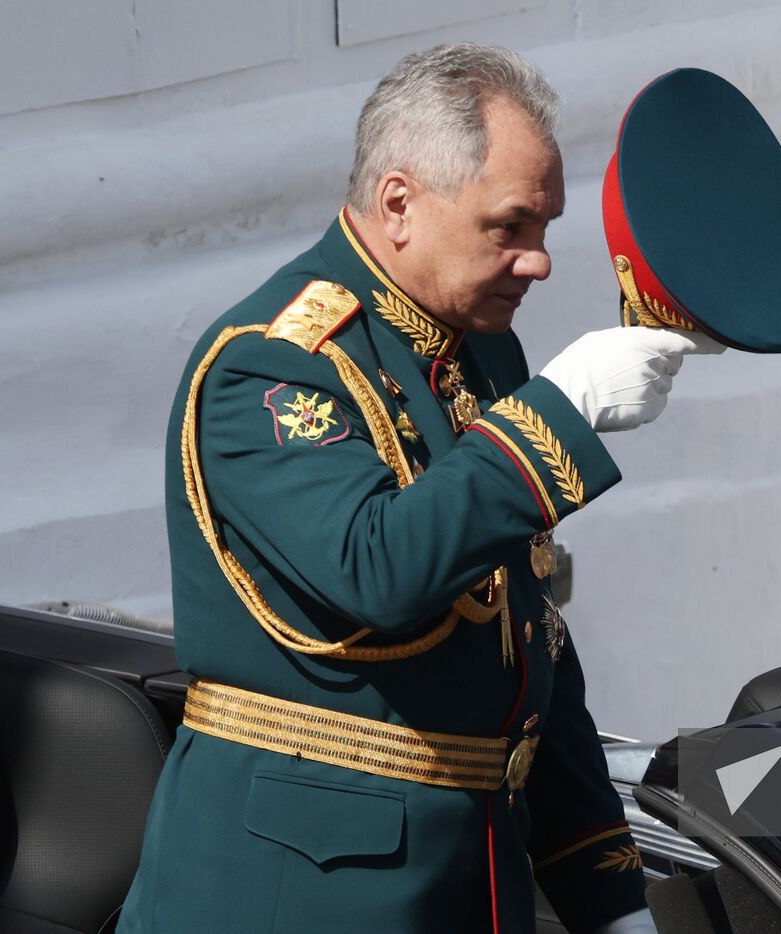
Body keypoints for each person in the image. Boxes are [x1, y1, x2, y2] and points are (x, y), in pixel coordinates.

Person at [118, 43, 721, 934]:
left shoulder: (476, 349)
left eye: (544, 229)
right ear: (399, 204)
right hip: (302, 898)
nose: (539, 261)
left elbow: (526, 647)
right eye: (509, 228)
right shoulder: (271, 363)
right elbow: (380, 570)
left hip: (466, 884)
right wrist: (565, 407)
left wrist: (609, 899)